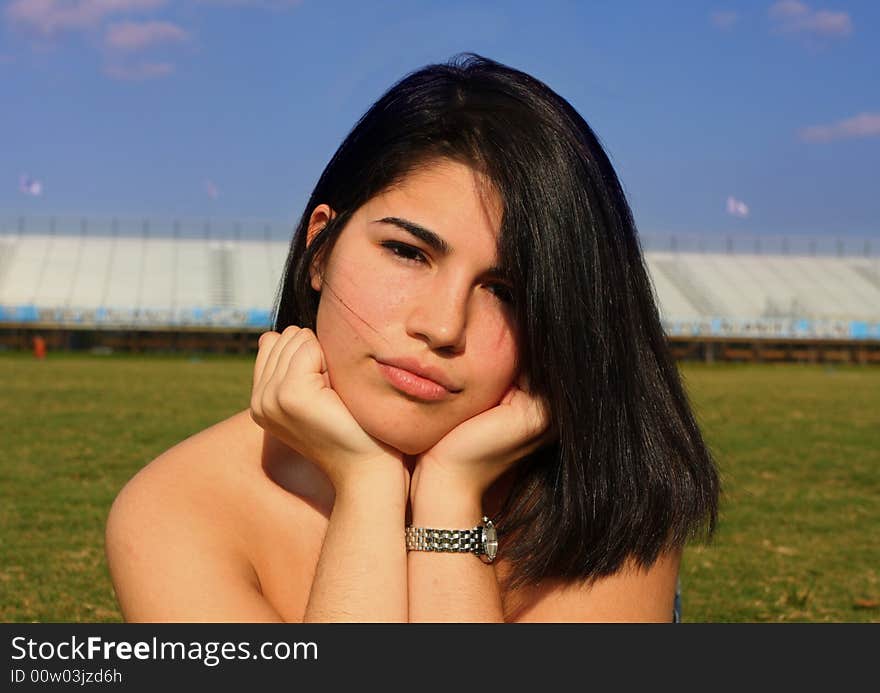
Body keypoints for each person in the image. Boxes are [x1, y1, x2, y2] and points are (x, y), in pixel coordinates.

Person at [104, 53, 720, 622]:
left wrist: (450, 495)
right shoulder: (177, 509)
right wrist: (367, 485)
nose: (444, 325)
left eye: (506, 291)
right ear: (320, 247)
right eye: (406, 251)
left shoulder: (609, 492)